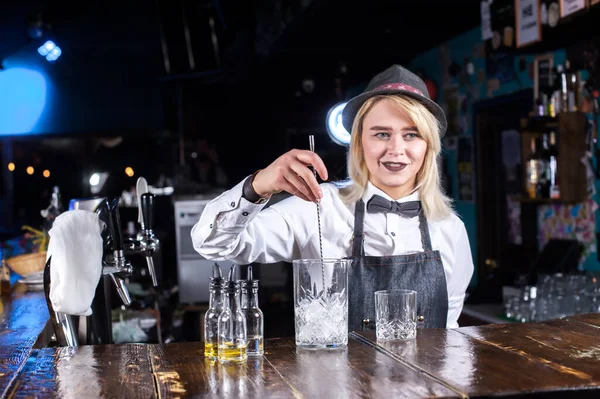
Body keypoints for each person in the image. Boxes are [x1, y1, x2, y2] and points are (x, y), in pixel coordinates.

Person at [191, 65, 474, 329]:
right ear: (360, 144)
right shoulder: (317, 206)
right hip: (333, 381)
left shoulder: (450, 229)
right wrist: (257, 186)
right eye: (381, 134)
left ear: (428, 146)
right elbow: (213, 244)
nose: (396, 149)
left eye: (411, 135)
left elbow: (448, 332)